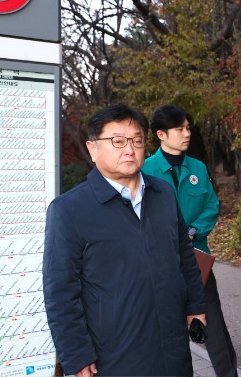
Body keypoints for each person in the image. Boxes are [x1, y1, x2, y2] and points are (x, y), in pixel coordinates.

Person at [43, 104, 206, 377]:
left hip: (172, 345)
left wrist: (196, 307)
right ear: (93, 148)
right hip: (115, 353)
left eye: (137, 140)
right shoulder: (69, 210)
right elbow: (60, 290)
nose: (129, 149)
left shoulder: (163, 194)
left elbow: (185, 256)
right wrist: (76, 354)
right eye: (117, 141)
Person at [142, 105, 238, 377]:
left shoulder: (197, 167)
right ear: (161, 134)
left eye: (188, 128)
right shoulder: (145, 170)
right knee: (163, 330)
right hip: (159, 265)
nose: (186, 134)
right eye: (179, 129)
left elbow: (211, 205)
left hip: (197, 261)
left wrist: (195, 229)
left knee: (214, 328)